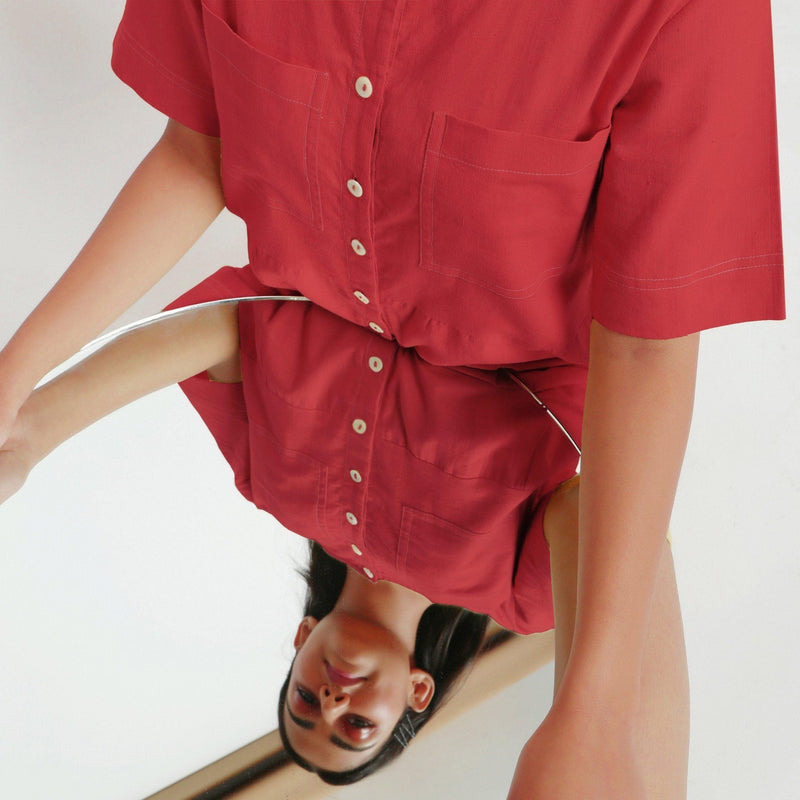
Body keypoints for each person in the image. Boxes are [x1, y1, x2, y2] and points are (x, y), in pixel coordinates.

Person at [0, 0, 784, 796]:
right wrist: (593, 713)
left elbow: (236, 331)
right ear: (419, 692)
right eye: (353, 726)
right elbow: (623, 510)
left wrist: (26, 411)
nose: (333, 697)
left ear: (300, 643)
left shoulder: (275, 480)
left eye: (305, 702)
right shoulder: (517, 583)